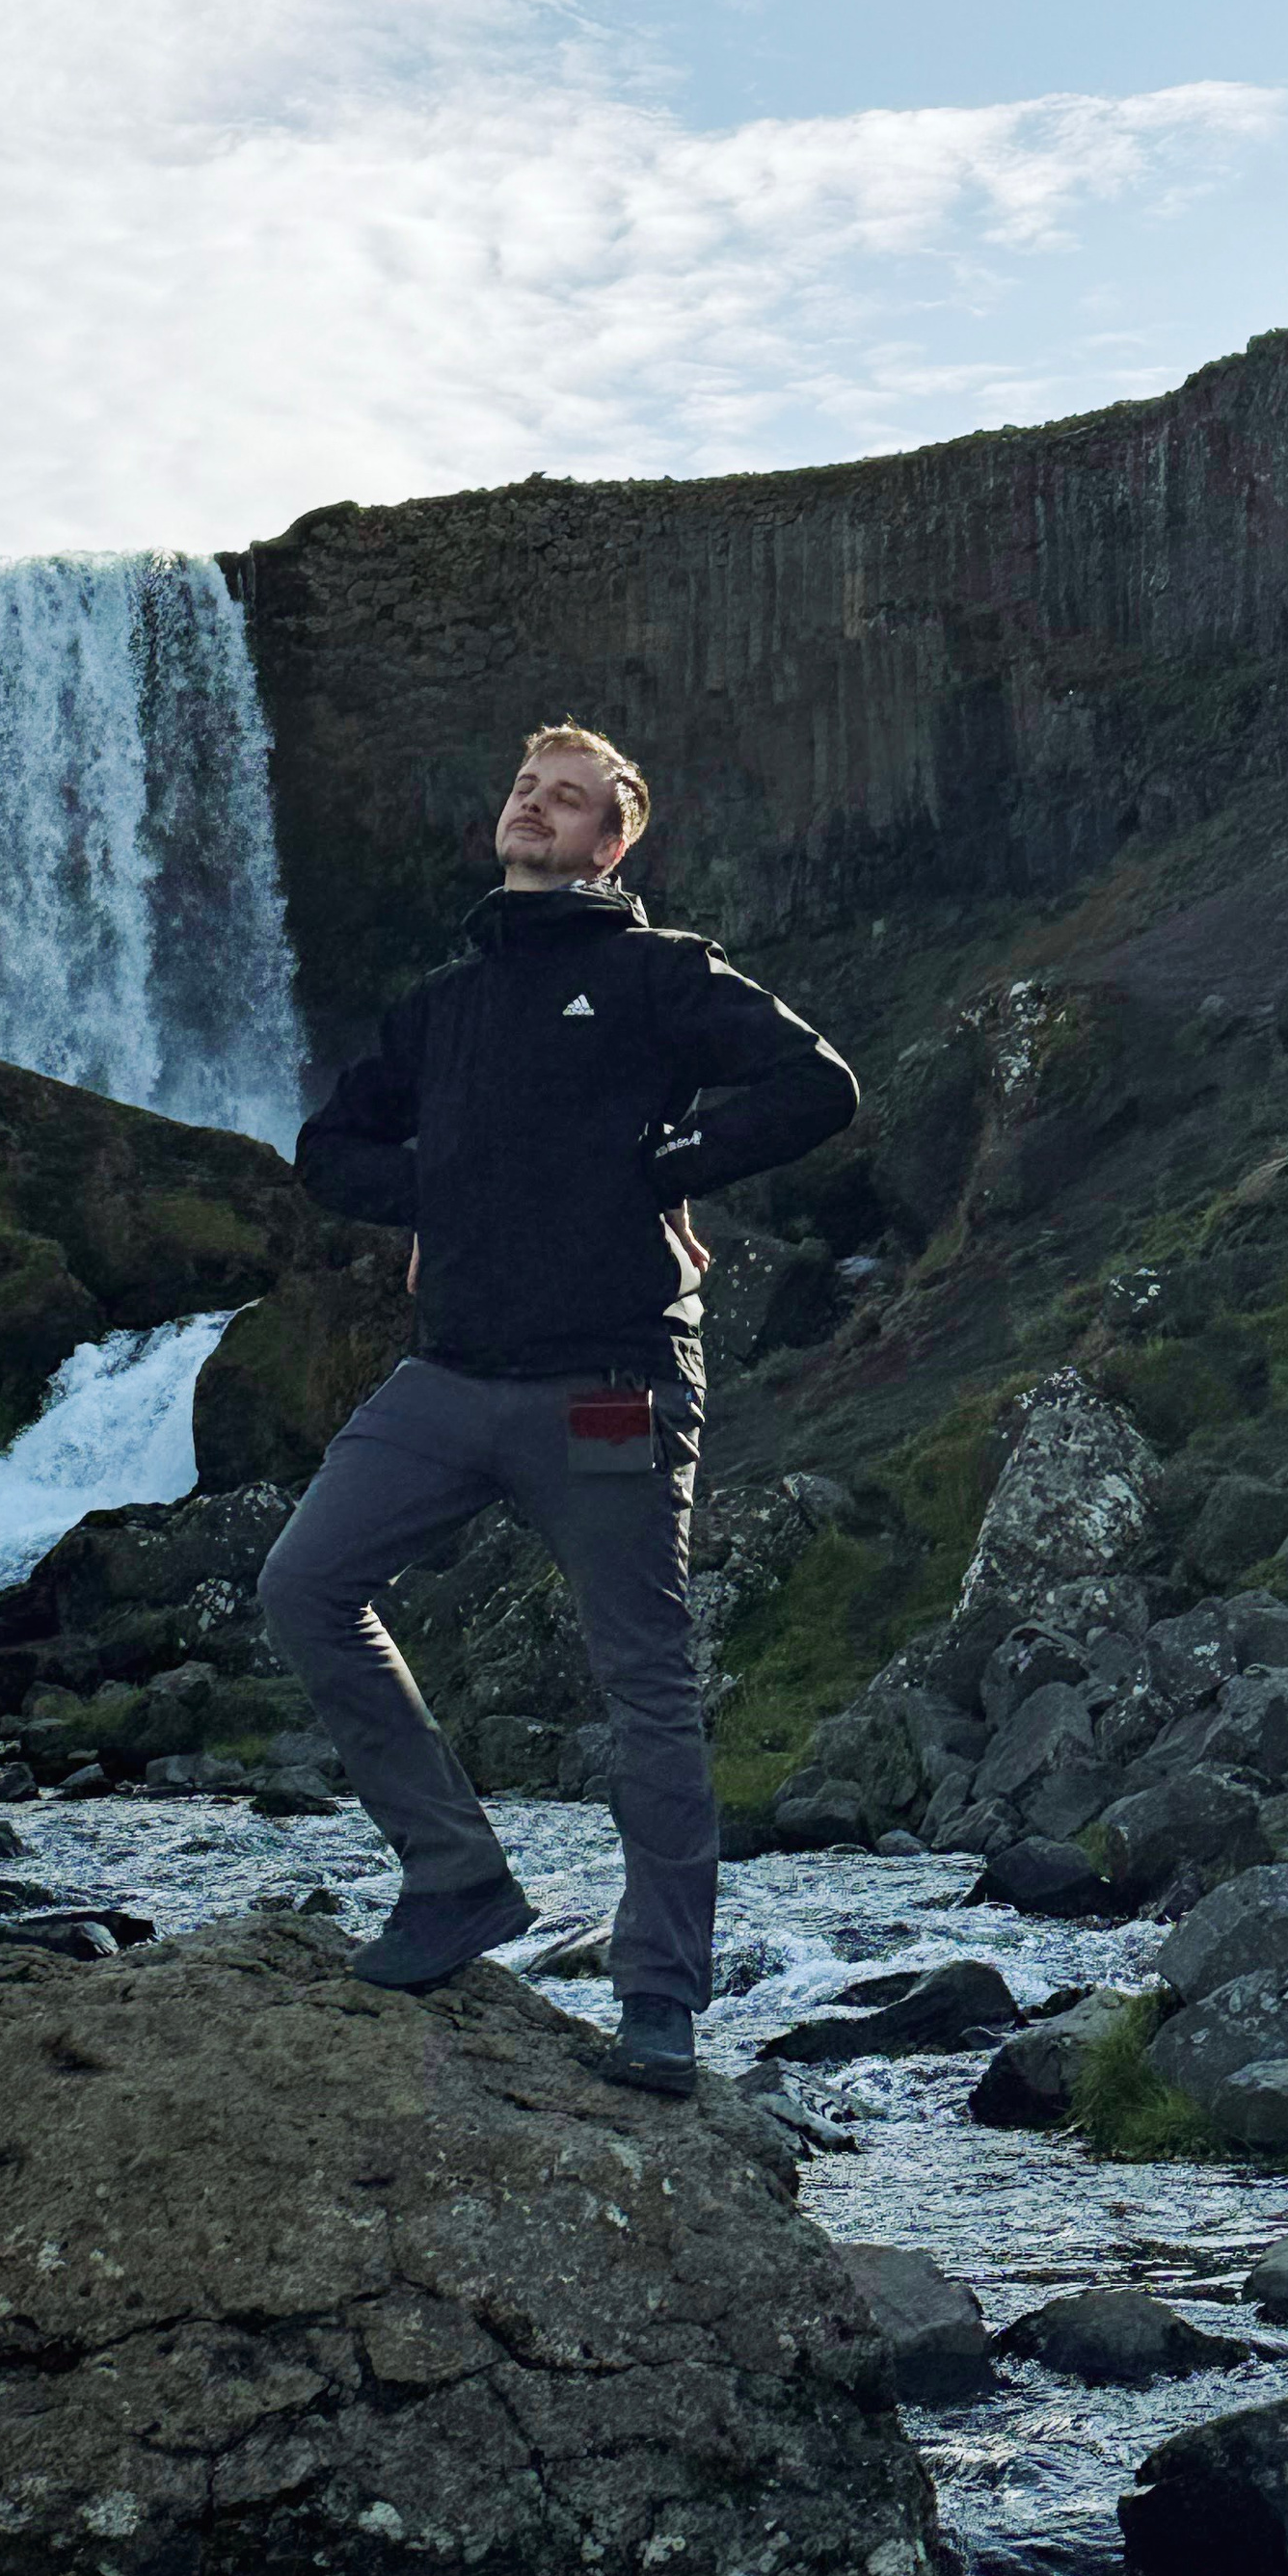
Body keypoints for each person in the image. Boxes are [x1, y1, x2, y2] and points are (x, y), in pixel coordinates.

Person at [255, 720, 858, 2097]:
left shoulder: (656, 974)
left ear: (611, 840)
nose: (535, 803)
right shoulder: (442, 1005)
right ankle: (456, 1875)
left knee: (644, 1685)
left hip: (611, 1381)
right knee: (304, 1581)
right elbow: (329, 1149)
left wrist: (670, 1164)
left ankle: (659, 1997)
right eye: (524, 785)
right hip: (450, 1377)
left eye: (568, 796)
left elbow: (817, 1086)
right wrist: (444, 1194)